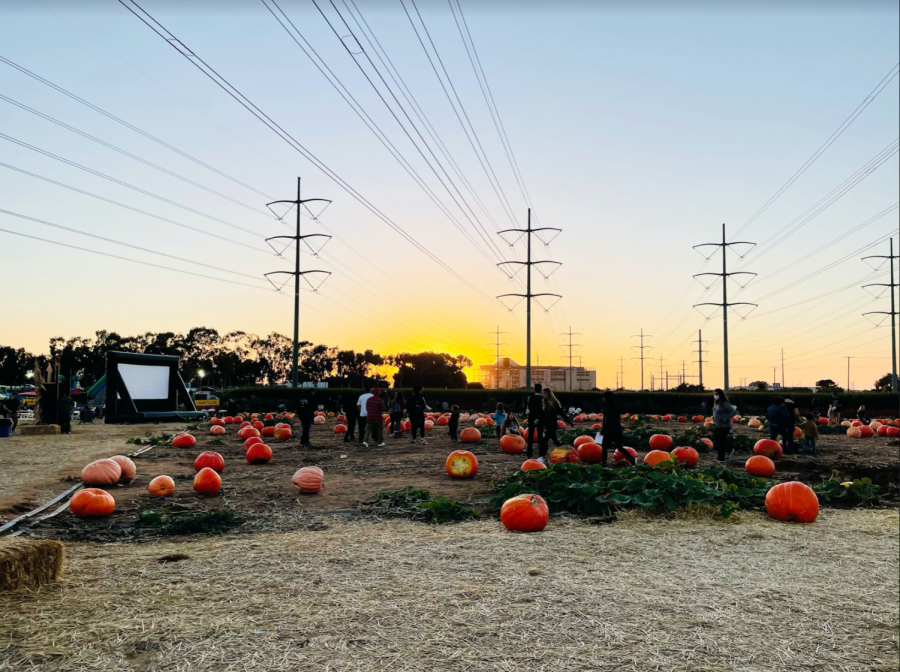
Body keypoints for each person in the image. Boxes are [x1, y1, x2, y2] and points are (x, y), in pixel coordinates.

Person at [539, 387, 573, 460]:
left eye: (544, 393)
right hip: (548, 425)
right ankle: (566, 453)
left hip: (552, 425)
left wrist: (569, 422)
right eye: (543, 393)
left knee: (545, 440)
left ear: (548, 394)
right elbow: (544, 415)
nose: (543, 395)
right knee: (556, 442)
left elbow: (562, 413)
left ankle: (542, 456)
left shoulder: (554, 403)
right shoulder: (545, 403)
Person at [599, 390, 631, 465]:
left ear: (605, 398)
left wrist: (603, 429)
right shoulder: (615, 406)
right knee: (620, 447)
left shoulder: (607, 407)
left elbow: (607, 419)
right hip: (617, 429)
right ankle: (632, 459)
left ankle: (604, 462)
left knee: (604, 447)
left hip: (609, 430)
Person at [712, 389, 736, 462]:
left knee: (721, 441)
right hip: (719, 424)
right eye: (714, 394)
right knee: (716, 438)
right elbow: (716, 412)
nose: (715, 396)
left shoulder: (725, 403)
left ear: (720, 395)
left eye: (717, 394)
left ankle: (721, 458)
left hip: (725, 425)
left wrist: (726, 418)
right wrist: (714, 417)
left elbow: (733, 412)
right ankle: (729, 449)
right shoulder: (717, 403)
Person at [525, 383, 544, 459]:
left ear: (534, 389)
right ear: (541, 390)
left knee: (530, 436)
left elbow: (528, 409)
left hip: (532, 418)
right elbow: (542, 410)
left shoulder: (530, 398)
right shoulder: (542, 399)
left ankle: (529, 453)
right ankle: (541, 454)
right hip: (540, 419)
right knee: (540, 437)